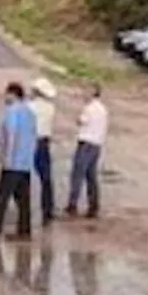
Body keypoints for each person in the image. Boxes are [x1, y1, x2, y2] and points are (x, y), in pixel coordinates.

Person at [0, 82, 37, 241]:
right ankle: (24, 230)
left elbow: (11, 134)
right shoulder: (30, 112)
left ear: (13, 94)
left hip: (12, 162)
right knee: (23, 199)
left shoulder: (11, 111)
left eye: (7, 94)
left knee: (2, 196)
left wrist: (6, 158)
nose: (5, 98)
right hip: (25, 162)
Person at [66, 83, 108, 220]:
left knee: (77, 174)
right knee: (91, 176)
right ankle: (93, 205)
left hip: (86, 143)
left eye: (87, 91)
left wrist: (78, 117)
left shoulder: (89, 108)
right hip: (97, 144)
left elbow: (81, 121)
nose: (84, 94)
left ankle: (72, 204)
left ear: (93, 93)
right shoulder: (103, 109)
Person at [27, 78, 57, 226]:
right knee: (46, 177)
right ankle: (48, 208)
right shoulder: (50, 108)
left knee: (23, 175)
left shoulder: (30, 107)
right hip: (44, 142)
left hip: (31, 141)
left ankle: (24, 207)